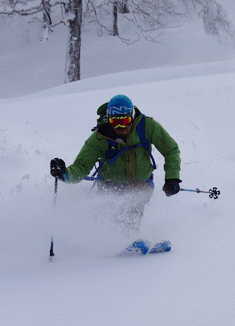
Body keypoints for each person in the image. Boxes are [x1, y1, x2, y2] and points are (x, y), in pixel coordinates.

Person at [49, 94, 181, 232]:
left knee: (134, 203)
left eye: (124, 121)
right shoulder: (99, 138)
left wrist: (172, 178)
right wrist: (64, 174)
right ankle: (106, 240)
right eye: (115, 122)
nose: (120, 127)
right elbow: (81, 167)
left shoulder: (148, 127)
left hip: (140, 183)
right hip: (109, 184)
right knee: (108, 213)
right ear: (108, 120)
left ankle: (128, 238)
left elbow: (171, 150)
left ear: (132, 116)